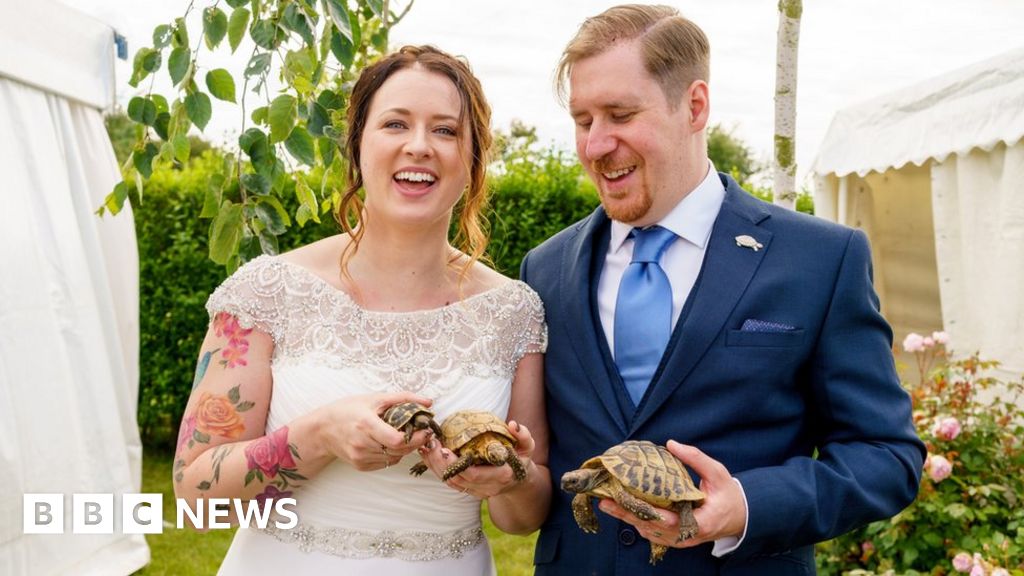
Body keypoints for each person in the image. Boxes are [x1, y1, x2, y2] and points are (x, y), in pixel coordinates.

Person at [519, 5, 926, 574]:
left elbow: (886, 456)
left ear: (695, 106)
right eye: (584, 120)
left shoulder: (821, 259)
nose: (595, 145)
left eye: (620, 114)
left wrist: (747, 506)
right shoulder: (544, 268)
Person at [172, 45, 550, 576]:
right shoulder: (266, 292)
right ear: (357, 145)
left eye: (445, 130)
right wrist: (320, 435)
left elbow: (523, 517)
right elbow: (196, 496)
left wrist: (511, 478)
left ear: (473, 159)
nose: (419, 146)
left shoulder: (513, 311)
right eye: (395, 124)